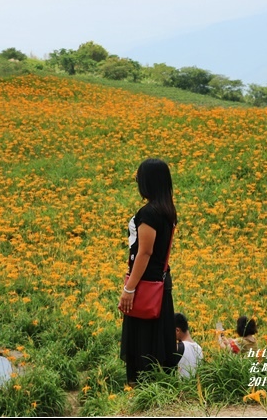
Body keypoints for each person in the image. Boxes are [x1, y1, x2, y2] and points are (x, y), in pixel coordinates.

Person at [119, 158, 178, 385]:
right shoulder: (166, 211)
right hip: (160, 283)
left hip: (145, 285)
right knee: (156, 339)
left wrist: (129, 288)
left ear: (148, 182)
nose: (137, 181)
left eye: (138, 177)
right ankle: (158, 387)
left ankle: (141, 388)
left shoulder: (149, 213)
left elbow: (144, 253)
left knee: (142, 340)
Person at [174, 313, 203, 378]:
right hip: (194, 386)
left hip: (180, 386)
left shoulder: (178, 347)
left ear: (177, 330)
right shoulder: (199, 348)